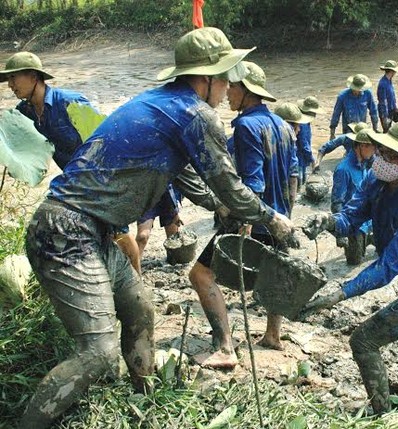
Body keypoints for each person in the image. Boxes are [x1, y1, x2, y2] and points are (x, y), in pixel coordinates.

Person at [20, 27, 296, 428]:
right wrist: (274, 220)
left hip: (93, 230)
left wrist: (217, 205)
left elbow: (186, 177)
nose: (226, 87)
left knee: (140, 310)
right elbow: (230, 186)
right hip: (66, 230)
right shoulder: (195, 114)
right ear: (206, 78)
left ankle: (143, 404)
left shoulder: (160, 103)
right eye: (224, 77)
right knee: (96, 353)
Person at [301, 119, 398, 416]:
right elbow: (351, 218)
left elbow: (387, 268)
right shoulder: (376, 181)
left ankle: (382, 414)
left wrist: (341, 291)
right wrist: (327, 221)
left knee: (363, 340)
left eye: (391, 155)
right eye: (382, 150)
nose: (381, 158)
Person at [190, 60, 301, 367]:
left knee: (200, 274)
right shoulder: (282, 125)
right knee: (275, 277)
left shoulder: (245, 127)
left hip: (253, 217)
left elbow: (253, 183)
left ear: (246, 90)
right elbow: (293, 175)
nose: (227, 94)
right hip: (280, 217)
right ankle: (272, 335)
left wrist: (246, 223)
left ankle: (225, 345)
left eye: (233, 87)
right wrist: (284, 214)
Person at [0, 51, 142, 272]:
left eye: (13, 78)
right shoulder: (24, 113)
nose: (10, 85)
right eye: (8, 79)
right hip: (73, 182)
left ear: (33, 76)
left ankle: (136, 279)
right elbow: (18, 144)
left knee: (118, 231)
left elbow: (103, 137)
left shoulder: (68, 102)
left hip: (100, 175)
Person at [331, 129, 376, 265]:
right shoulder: (343, 170)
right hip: (353, 226)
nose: (374, 151)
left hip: (367, 222)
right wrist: (340, 233)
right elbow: (336, 203)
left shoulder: (364, 165)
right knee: (354, 262)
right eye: (372, 148)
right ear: (362, 146)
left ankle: (370, 240)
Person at [329, 74, 378, 140]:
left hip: (362, 128)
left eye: (359, 90)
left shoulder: (368, 94)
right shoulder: (343, 96)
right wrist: (332, 133)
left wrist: (375, 129)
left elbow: (373, 111)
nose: (357, 91)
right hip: (348, 129)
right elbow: (336, 114)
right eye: (355, 89)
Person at [295, 95, 324, 186]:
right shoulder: (302, 124)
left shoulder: (303, 122)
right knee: (299, 180)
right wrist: (312, 160)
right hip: (298, 158)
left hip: (299, 157)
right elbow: (304, 144)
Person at [377, 60, 398, 132]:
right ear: (392, 71)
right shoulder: (383, 83)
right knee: (387, 131)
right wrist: (385, 116)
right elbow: (382, 101)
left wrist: (395, 108)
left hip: (392, 109)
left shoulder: (389, 81)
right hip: (385, 112)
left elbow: (391, 97)